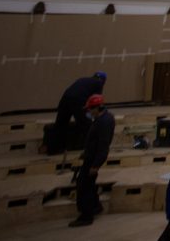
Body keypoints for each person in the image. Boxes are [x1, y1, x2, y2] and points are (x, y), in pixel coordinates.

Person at [68, 94, 115, 227]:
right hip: (91, 157)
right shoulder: (103, 118)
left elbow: (103, 145)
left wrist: (96, 164)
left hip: (94, 159)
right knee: (89, 184)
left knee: (83, 186)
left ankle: (86, 216)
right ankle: (96, 206)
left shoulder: (104, 122)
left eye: (90, 109)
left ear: (97, 108)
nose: (88, 112)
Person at [49, 71, 106, 154]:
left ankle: (53, 149)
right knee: (86, 125)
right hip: (77, 101)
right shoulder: (98, 83)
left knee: (60, 124)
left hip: (65, 99)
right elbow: (96, 101)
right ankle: (91, 149)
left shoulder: (83, 79)